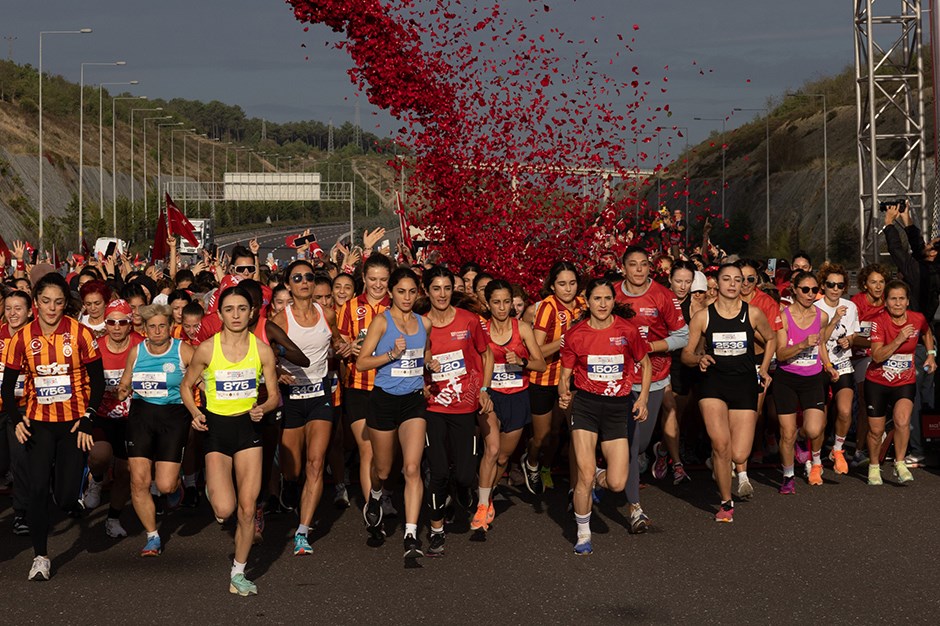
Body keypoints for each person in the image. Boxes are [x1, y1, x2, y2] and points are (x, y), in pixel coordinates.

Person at [2, 272, 104, 581]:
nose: (51, 308)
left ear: (65, 305)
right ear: (35, 304)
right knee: (35, 491)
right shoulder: (21, 338)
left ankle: (71, 491)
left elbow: (98, 382)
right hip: (38, 425)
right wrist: (17, 418)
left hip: (72, 425)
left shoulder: (81, 334)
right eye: (45, 301)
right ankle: (41, 556)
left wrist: (88, 417)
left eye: (58, 302)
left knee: (63, 496)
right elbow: (7, 388)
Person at [180, 284, 280, 596]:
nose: (235, 315)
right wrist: (196, 412)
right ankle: (215, 492)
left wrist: (263, 407)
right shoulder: (207, 349)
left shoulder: (262, 350)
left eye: (241, 309)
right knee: (225, 510)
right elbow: (186, 387)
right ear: (219, 314)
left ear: (252, 313)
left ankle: (238, 571)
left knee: (248, 510)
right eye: (229, 309)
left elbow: (275, 396)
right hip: (217, 434)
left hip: (248, 431)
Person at [559, 277, 651, 554]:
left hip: (617, 408)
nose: (602, 304)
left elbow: (645, 364)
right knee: (584, 476)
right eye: (596, 299)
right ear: (587, 302)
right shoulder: (576, 334)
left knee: (616, 482)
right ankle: (583, 533)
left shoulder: (627, 331)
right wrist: (564, 394)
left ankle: (599, 473)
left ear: (614, 301)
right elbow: (565, 376)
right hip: (586, 406)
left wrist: (643, 399)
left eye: (607, 299)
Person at [682, 264, 775, 521]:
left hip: (745, 384)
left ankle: (723, 464)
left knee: (739, 454)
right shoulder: (704, 316)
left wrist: (764, 368)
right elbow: (686, 353)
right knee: (721, 445)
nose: (733, 284)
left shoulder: (753, 313)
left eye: (739, 279)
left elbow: (771, 338)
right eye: (727, 279)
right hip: (713, 384)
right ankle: (726, 502)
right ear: (718, 283)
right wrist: (698, 359)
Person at [270, 261, 350, 556]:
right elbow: (267, 356)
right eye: (297, 278)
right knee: (293, 469)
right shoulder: (280, 319)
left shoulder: (327, 314)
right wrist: (277, 371)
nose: (304, 282)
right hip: (291, 398)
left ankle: (303, 531)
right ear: (288, 285)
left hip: (320, 396)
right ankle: (289, 484)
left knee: (316, 463)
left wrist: (343, 349)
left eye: (308, 277)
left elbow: (338, 344)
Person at [355, 267, 434, 558]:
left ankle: (411, 534)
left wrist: (429, 364)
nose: (407, 297)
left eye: (413, 291)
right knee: (384, 469)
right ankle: (376, 495)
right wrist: (391, 355)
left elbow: (424, 355)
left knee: (412, 468)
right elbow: (362, 363)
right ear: (391, 292)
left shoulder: (424, 324)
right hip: (384, 400)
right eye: (401, 291)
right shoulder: (381, 321)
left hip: (413, 401)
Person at [614, 246, 688, 533]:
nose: (639, 270)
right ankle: (635, 508)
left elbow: (683, 336)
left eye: (644, 264)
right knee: (629, 445)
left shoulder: (662, 295)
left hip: (653, 378)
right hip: (616, 379)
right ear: (624, 268)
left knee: (639, 444)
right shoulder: (612, 294)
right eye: (633, 265)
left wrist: (650, 347)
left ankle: (626, 466)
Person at [420, 266, 493, 555]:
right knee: (437, 472)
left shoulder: (469, 320)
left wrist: (484, 390)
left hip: (465, 406)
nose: (442, 294)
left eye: (447, 288)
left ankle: (461, 488)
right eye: (436, 288)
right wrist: (423, 378)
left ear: (454, 290)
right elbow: (413, 362)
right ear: (427, 291)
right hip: (433, 407)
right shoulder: (420, 324)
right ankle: (437, 530)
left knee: (464, 475)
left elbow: (485, 354)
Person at [116, 303, 194, 556]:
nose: (158, 330)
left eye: (162, 325)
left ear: (171, 326)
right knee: (139, 481)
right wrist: (123, 390)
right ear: (145, 329)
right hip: (141, 416)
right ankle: (152, 536)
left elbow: (202, 379)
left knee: (165, 485)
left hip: (173, 417)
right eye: (152, 326)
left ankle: (177, 486)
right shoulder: (137, 352)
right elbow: (124, 382)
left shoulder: (183, 350)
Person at [478, 279, 546, 533]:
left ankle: (488, 492)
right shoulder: (481, 329)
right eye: (496, 302)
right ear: (488, 303)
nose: (502, 307)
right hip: (491, 395)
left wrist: (521, 360)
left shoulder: (523, 329)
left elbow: (541, 365)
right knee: (492, 450)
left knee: (504, 456)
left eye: (507, 302)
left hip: (518, 397)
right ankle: (482, 504)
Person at [864, 280, 936, 485]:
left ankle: (900, 462)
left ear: (907, 301)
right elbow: (877, 357)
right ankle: (874, 466)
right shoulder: (879, 322)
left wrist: (931, 354)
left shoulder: (917, 318)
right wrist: (898, 340)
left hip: (904, 380)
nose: (897, 303)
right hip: (877, 381)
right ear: (885, 302)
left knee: (902, 421)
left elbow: (926, 331)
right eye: (893, 299)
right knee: (876, 431)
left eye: (901, 299)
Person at [336, 253, 393, 513]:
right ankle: (373, 506)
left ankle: (382, 492)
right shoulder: (349, 307)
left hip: (391, 388)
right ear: (363, 278)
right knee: (367, 448)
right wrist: (348, 347)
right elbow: (338, 344)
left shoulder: (398, 306)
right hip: (358, 386)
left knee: (387, 453)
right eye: (373, 279)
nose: (378, 285)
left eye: (383, 279)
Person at [774, 271, 837, 493]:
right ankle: (788, 475)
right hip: (787, 379)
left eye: (814, 290)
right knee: (786, 432)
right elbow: (780, 354)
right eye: (805, 290)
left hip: (812, 378)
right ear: (795, 290)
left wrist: (828, 366)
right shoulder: (784, 316)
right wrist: (801, 345)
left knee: (813, 429)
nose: (811, 294)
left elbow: (820, 345)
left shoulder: (821, 316)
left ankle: (802, 440)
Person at [525, 261, 584, 495]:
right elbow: (536, 350)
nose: (568, 289)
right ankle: (530, 461)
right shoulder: (547, 308)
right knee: (542, 437)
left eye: (572, 283)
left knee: (562, 431)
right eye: (562, 284)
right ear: (552, 286)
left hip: (569, 379)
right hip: (543, 380)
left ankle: (547, 468)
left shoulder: (583, 305)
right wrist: (565, 342)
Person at [84, 299, 141, 539]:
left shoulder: (141, 345)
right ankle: (96, 478)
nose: (116, 327)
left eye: (122, 322)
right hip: (102, 415)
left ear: (130, 324)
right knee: (100, 455)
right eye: (111, 322)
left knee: (125, 471)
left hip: (132, 417)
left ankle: (113, 518)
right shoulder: (95, 347)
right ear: (104, 324)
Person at [814, 264, 859, 475]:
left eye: (840, 285)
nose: (835, 289)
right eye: (831, 284)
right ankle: (814, 461)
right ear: (823, 285)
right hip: (820, 365)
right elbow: (820, 339)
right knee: (819, 420)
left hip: (843, 364)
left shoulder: (850, 306)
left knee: (845, 410)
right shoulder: (815, 307)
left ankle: (838, 449)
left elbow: (853, 334)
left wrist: (848, 341)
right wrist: (834, 319)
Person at [0, 290, 32, 536]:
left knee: (20, 461)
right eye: (8, 307)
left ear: (30, 311)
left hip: (23, 407)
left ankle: (21, 512)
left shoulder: (35, 338)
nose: (12, 313)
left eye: (18, 308)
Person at [850, 265, 887, 467]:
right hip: (856, 357)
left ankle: (876, 439)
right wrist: (876, 343)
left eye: (881, 281)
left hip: (880, 357)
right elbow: (852, 338)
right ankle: (858, 448)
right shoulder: (856, 303)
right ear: (865, 284)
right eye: (874, 282)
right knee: (866, 397)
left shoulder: (889, 302)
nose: (878, 286)